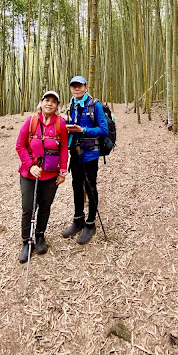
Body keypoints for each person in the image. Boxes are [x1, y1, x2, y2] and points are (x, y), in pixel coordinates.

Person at [16, 91, 68, 263]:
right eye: (47, 100)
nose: (50, 104)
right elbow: (20, 146)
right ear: (41, 103)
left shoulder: (61, 123)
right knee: (28, 207)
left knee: (45, 206)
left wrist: (63, 172)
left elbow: (63, 150)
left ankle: (40, 235)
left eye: (54, 102)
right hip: (29, 175)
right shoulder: (31, 121)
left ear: (57, 106)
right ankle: (27, 241)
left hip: (51, 175)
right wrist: (30, 166)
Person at [62, 76, 109, 245]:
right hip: (75, 152)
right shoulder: (73, 104)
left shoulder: (94, 105)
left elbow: (103, 129)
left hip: (90, 154)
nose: (76, 89)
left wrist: (83, 129)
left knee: (90, 186)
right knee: (76, 185)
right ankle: (78, 219)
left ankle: (90, 223)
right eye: (73, 86)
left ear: (85, 87)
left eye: (79, 86)